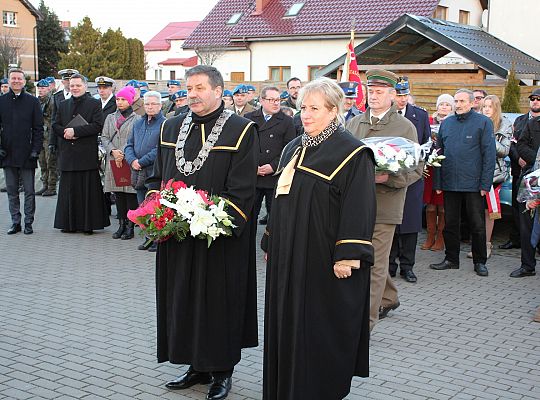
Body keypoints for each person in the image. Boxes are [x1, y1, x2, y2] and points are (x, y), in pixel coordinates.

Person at [147, 65, 258, 400]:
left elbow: (243, 191)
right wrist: (159, 212)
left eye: (198, 88)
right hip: (178, 236)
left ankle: (222, 371)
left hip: (218, 239)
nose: (191, 94)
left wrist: (211, 220)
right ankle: (195, 365)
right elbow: (159, 177)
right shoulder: (170, 125)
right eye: (188, 87)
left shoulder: (241, 129)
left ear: (218, 90)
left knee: (217, 304)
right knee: (182, 299)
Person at [261, 77, 376, 400]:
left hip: (323, 258)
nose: (306, 115)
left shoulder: (352, 153)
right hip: (288, 256)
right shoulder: (293, 147)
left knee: (318, 327)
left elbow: (360, 206)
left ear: (334, 111)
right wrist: (271, 240)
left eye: (314, 109)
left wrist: (348, 255)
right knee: (288, 324)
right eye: (303, 108)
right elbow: (280, 202)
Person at [346, 69, 422, 327]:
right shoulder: (354, 123)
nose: (374, 96)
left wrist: (387, 178)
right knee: (363, 254)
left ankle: (365, 322)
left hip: (385, 204)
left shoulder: (404, 127)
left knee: (376, 262)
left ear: (393, 95)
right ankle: (388, 297)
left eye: (380, 92)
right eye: (371, 91)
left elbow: (416, 169)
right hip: (355, 203)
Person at [430, 89, 496, 277]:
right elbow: (439, 153)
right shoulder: (447, 123)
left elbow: (489, 156)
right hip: (450, 182)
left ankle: (479, 261)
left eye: (461, 101)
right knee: (450, 224)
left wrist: (485, 184)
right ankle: (451, 259)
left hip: (474, 184)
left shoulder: (483, 122)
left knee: (477, 225)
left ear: (472, 103)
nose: (457, 105)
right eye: (455, 101)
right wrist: (438, 182)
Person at [52, 73, 109, 234]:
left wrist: (76, 131)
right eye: (72, 86)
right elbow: (55, 124)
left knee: (87, 192)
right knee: (68, 191)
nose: (75, 88)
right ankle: (69, 224)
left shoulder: (94, 103)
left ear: (85, 86)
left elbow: (98, 125)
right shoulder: (63, 104)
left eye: (78, 85)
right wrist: (66, 132)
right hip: (68, 154)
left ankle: (87, 225)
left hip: (86, 155)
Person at [389, 77, 431, 283]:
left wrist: (419, 169)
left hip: (412, 179)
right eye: (398, 95)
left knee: (410, 224)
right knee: (391, 223)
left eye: (405, 95)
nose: (402, 99)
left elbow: (426, 145)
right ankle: (390, 265)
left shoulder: (420, 115)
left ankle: (408, 266)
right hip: (390, 178)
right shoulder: (386, 117)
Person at [0, 68, 44, 235]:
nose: (16, 81)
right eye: (13, 78)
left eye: (19, 78)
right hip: (8, 153)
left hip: (27, 154)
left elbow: (38, 129)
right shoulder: (2, 101)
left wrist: (35, 150)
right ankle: (15, 222)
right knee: (11, 191)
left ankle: (28, 222)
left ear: (24, 81)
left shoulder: (32, 102)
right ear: (9, 81)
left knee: (29, 191)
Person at [245, 86, 296, 225]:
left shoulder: (287, 121)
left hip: (274, 177)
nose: (276, 103)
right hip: (253, 176)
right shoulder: (248, 118)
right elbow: (244, 148)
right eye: (271, 99)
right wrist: (253, 167)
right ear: (261, 100)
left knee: (275, 220)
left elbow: (289, 149)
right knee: (248, 218)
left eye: (278, 100)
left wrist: (274, 166)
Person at [467, 95, 511, 259]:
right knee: (474, 210)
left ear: (496, 108)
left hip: (494, 174)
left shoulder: (504, 124)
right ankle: (476, 244)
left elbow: (504, 151)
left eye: (490, 106)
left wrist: (489, 137)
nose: (486, 109)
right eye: (484, 106)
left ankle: (486, 245)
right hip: (474, 172)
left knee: (488, 211)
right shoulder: (476, 121)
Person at [124, 90, 166, 252]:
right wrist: (132, 160)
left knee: (155, 207)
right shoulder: (138, 123)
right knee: (142, 207)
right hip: (137, 171)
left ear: (160, 105)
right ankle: (149, 237)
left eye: (154, 104)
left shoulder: (165, 124)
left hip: (153, 171)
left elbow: (159, 149)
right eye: (147, 104)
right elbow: (129, 144)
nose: (150, 107)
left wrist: (141, 161)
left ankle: (158, 239)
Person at [501, 89, 540, 250]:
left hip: (536, 170)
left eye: (539, 99)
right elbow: (513, 144)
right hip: (521, 171)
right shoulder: (520, 120)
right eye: (533, 99)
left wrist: (534, 159)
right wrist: (518, 158)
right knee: (519, 209)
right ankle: (516, 239)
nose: (535, 101)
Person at [101, 86, 139, 240]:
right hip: (113, 160)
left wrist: (122, 153)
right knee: (118, 195)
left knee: (130, 194)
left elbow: (135, 139)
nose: (120, 102)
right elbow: (104, 137)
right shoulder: (110, 117)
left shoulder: (137, 119)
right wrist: (113, 151)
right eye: (118, 99)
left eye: (123, 99)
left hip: (127, 159)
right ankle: (121, 225)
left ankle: (130, 226)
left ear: (130, 101)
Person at [422, 94, 454, 251]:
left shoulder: (454, 122)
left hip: (445, 168)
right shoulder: (428, 121)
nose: (444, 107)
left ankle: (440, 238)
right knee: (430, 205)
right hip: (430, 167)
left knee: (442, 206)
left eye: (448, 105)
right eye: (442, 104)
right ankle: (429, 236)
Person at [513, 100, 540, 278]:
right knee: (526, 225)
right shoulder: (532, 124)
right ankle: (527, 266)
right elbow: (520, 145)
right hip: (533, 178)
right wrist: (537, 159)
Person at [36, 79, 57, 197]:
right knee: (42, 162)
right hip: (40, 135)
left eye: (43, 88)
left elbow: (54, 120)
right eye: (39, 88)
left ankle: (51, 187)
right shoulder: (37, 101)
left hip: (49, 135)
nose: (40, 90)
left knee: (51, 162)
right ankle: (45, 185)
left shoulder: (52, 101)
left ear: (48, 88)